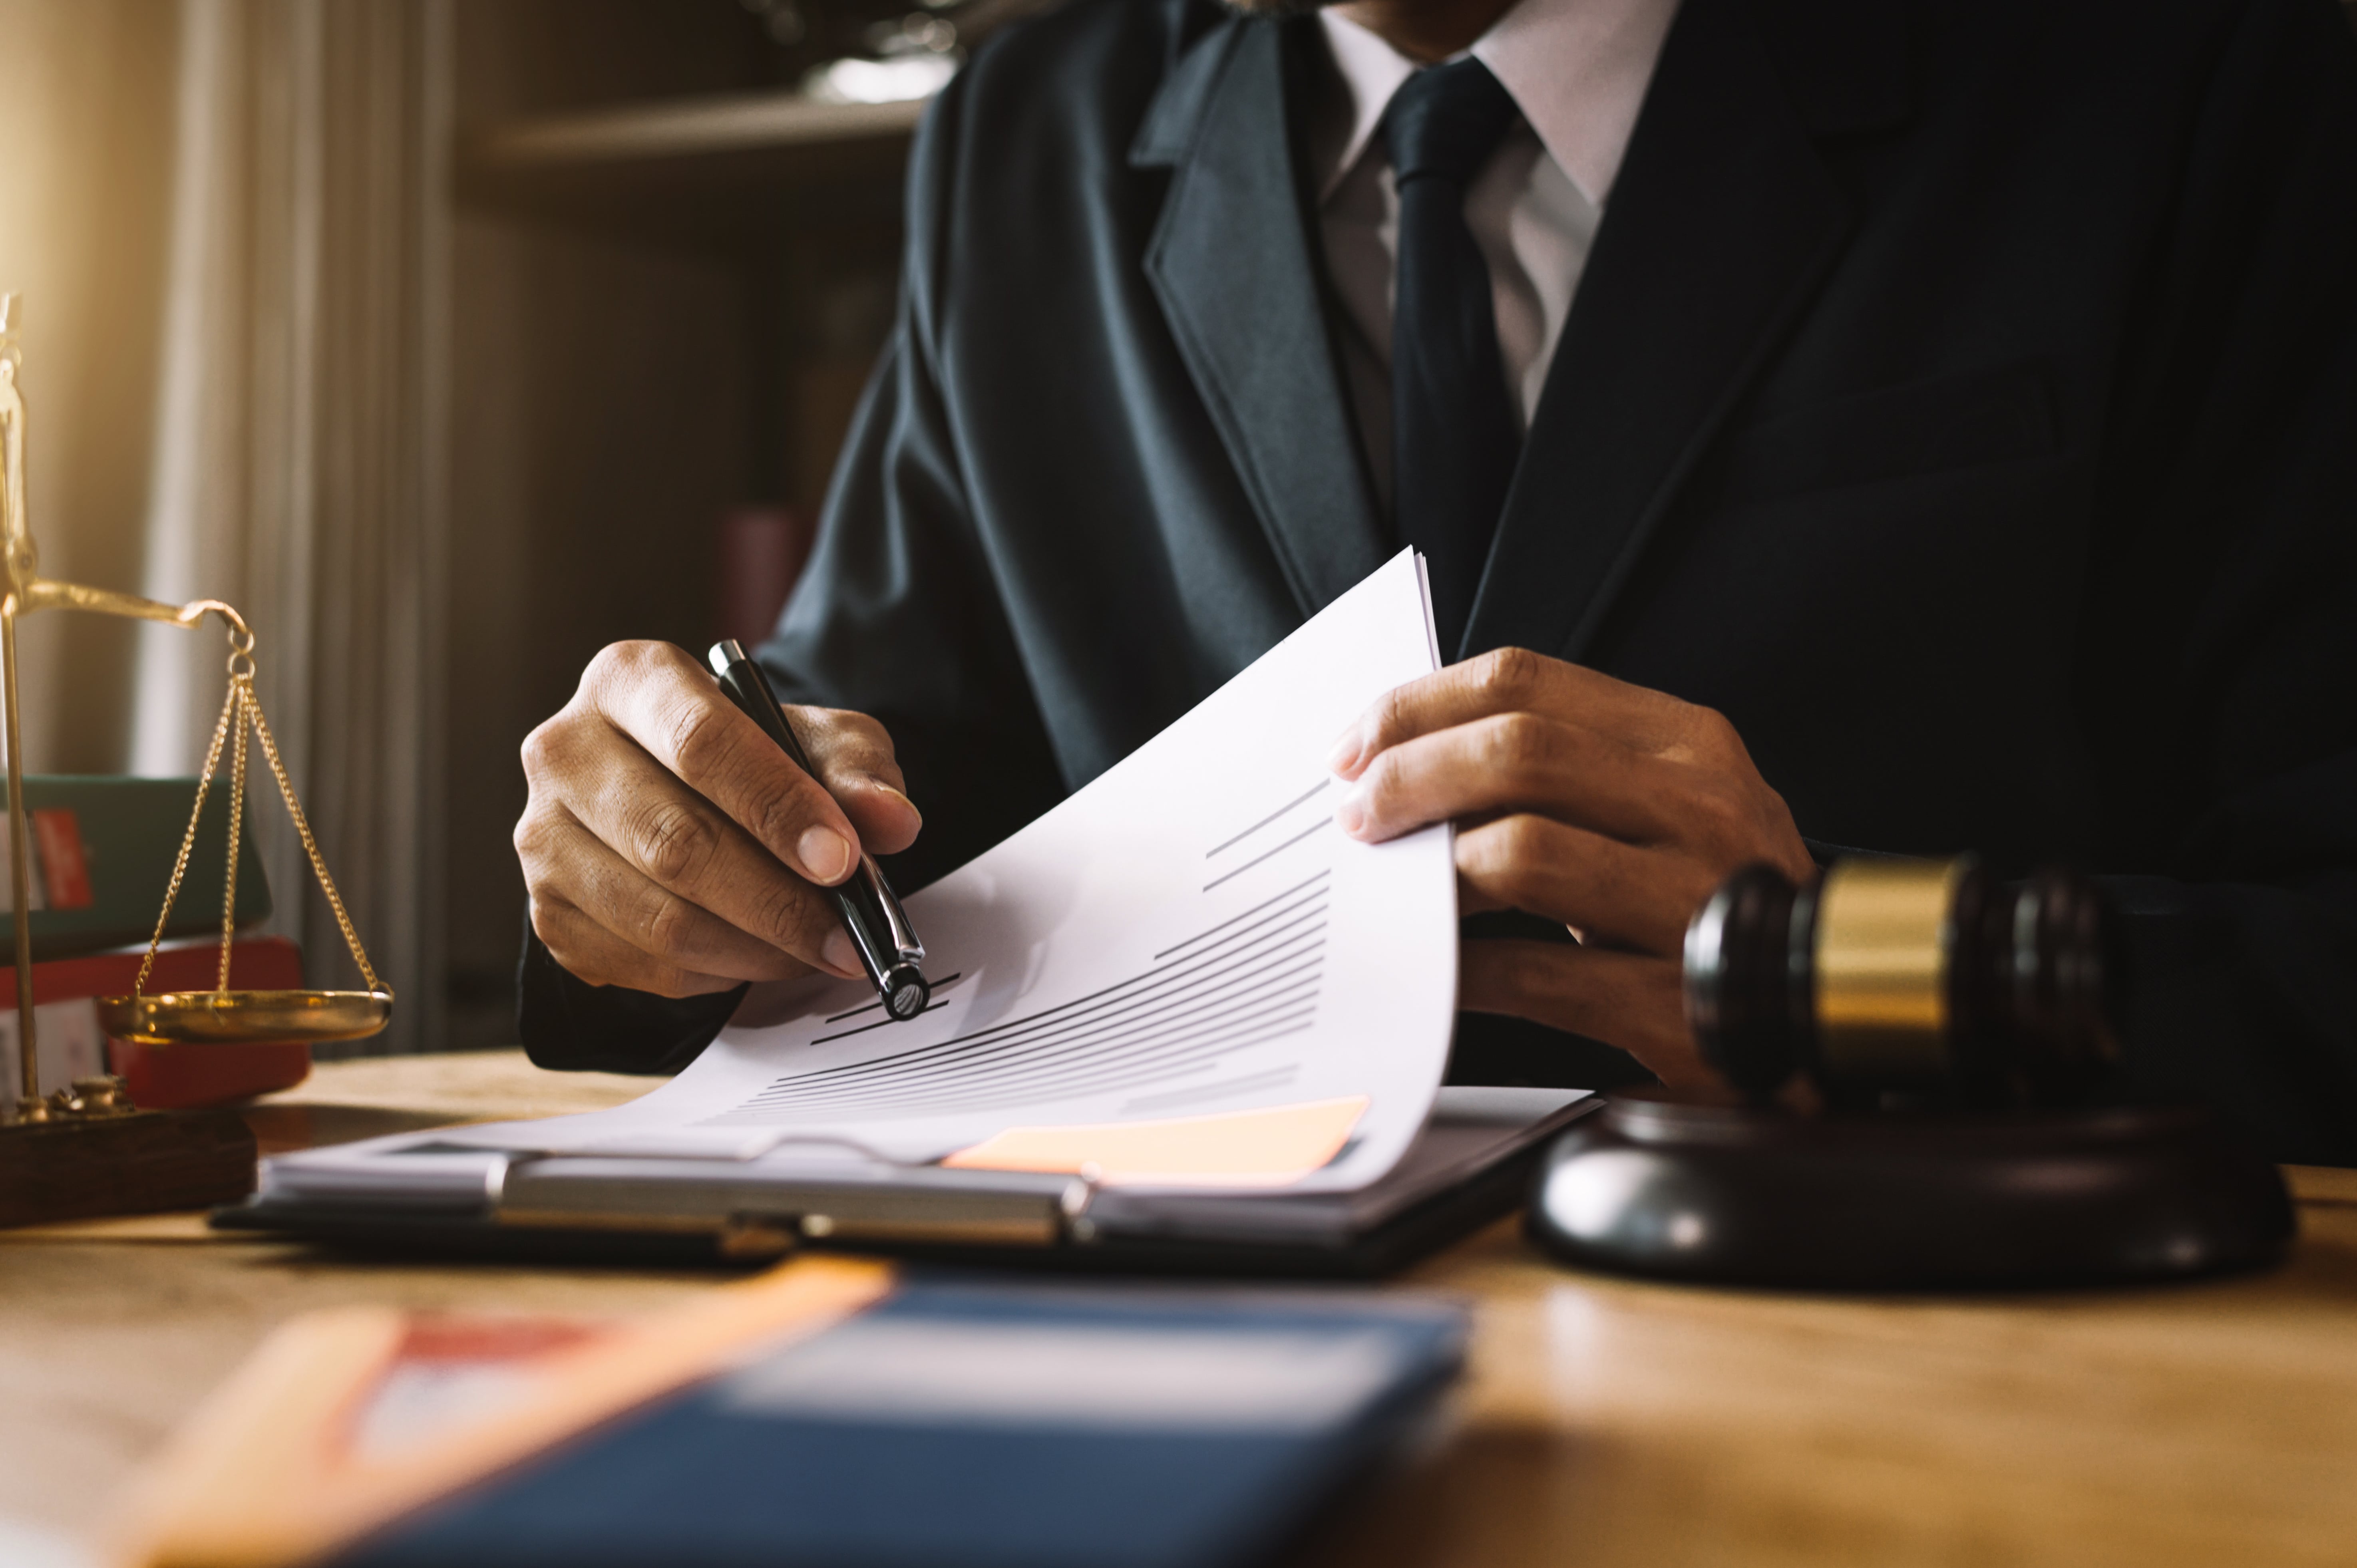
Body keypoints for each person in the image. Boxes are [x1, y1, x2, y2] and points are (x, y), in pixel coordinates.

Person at [513, 0, 2357, 1163]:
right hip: (1180, 1372)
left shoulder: (2185, 71)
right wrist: (671, 859)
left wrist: (1831, 976)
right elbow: (865, 832)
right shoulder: (1027, 136)